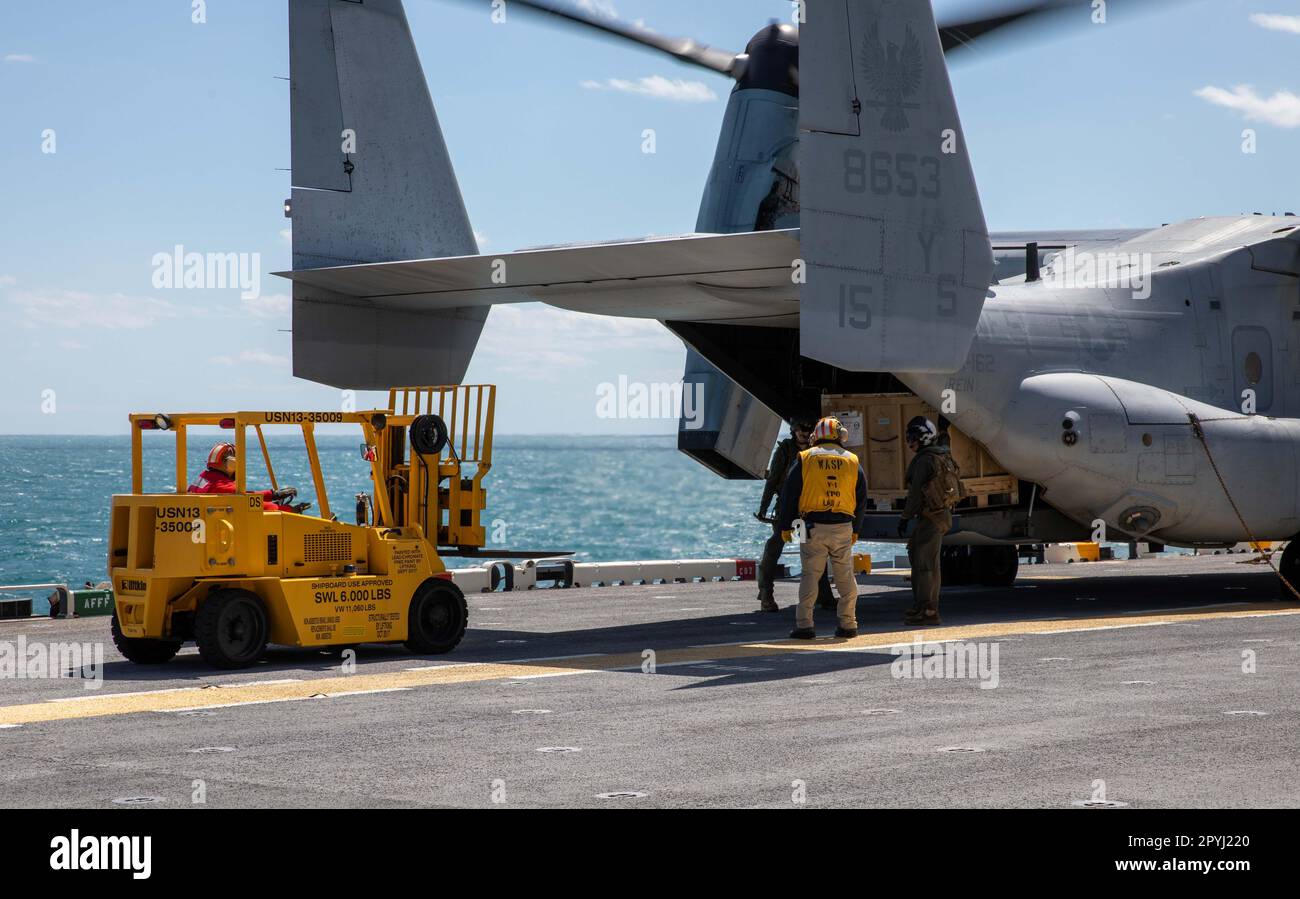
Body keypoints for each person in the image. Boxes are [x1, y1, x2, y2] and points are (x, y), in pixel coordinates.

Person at [776, 417, 868, 640]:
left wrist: (785, 525)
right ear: (839, 435)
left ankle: (805, 626)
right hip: (843, 527)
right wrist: (856, 529)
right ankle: (849, 624)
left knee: (810, 576)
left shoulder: (805, 458)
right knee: (845, 576)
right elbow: (862, 498)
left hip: (812, 527)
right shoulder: (853, 460)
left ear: (817, 435)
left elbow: (789, 494)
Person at [755, 416, 833, 613]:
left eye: (808, 430)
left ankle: (823, 596)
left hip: (808, 509)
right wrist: (764, 507)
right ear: (794, 431)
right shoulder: (785, 450)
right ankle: (766, 593)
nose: (804, 434)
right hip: (787, 508)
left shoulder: (816, 451)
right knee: (775, 548)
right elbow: (772, 480)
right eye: (801, 430)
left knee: (815, 552)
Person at [897, 417, 960, 626]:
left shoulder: (924, 460)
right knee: (919, 555)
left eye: (912, 438)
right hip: (940, 516)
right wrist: (944, 429)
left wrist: (905, 518)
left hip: (930, 517)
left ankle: (928, 610)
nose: (910, 442)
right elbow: (946, 441)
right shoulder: (942, 453)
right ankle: (923, 606)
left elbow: (915, 495)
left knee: (925, 565)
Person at [189, 443, 310, 513]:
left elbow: (246, 495)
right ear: (231, 464)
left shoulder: (205, 478)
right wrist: (289, 510)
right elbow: (255, 505)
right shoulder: (222, 486)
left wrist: (273, 494)